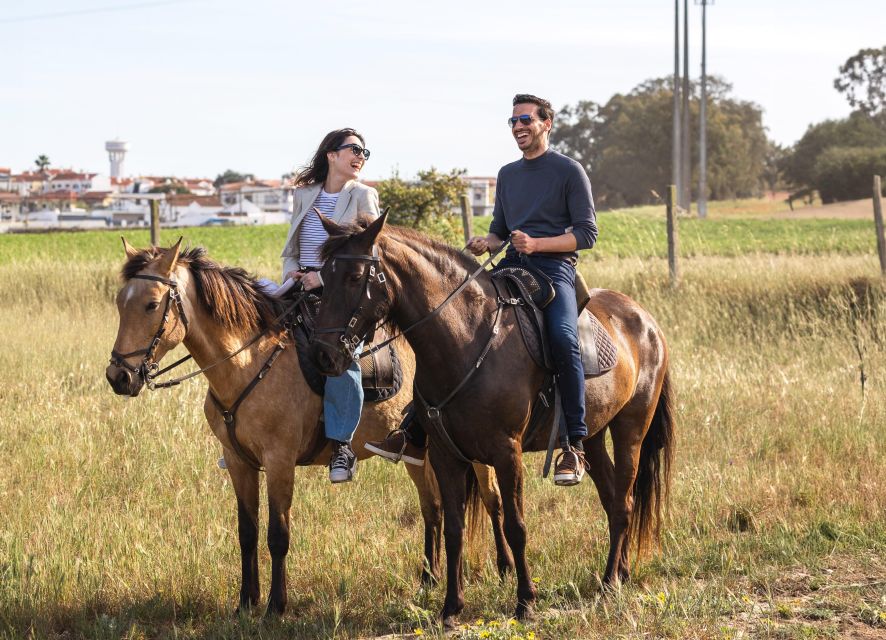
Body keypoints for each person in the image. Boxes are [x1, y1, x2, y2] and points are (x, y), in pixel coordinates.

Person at [367, 94, 598, 486]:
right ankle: (415, 429)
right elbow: (502, 230)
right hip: (510, 266)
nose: (518, 127)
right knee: (448, 327)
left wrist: (538, 245)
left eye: (525, 119)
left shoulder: (569, 171)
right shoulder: (508, 174)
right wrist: (489, 241)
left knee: (562, 338)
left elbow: (586, 234)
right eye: (512, 122)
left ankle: (574, 444)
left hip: (554, 270)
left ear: (546, 124)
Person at [281, 128, 379, 483]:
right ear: (331, 155)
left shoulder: (364, 196)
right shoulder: (304, 195)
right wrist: (293, 272)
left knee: (343, 357)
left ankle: (341, 447)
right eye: (354, 149)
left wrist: (321, 278)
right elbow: (291, 250)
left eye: (365, 152)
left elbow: (370, 255)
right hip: (297, 288)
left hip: (343, 295)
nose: (360, 156)